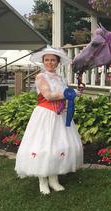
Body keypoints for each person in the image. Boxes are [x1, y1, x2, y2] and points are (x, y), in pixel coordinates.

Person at [15, 46, 84, 195]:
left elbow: (63, 93)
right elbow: (49, 95)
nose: (50, 63)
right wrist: (67, 93)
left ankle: (54, 178)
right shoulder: (41, 77)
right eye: (47, 60)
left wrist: (73, 92)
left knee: (57, 145)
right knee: (43, 145)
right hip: (45, 115)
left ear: (58, 62)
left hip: (60, 115)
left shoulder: (61, 78)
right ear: (43, 62)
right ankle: (42, 180)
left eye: (53, 60)